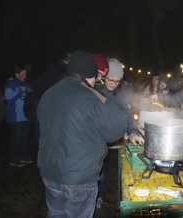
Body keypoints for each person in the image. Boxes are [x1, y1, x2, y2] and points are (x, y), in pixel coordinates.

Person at [37, 50, 132, 218]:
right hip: (79, 176)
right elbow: (114, 131)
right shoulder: (90, 96)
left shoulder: (49, 93)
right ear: (91, 74)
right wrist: (110, 101)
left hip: (50, 172)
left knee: (55, 214)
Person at [96, 58, 143, 144]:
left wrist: (133, 132)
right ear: (104, 76)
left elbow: (128, 116)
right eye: (110, 79)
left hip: (116, 143)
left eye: (117, 81)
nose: (113, 83)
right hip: (97, 143)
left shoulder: (121, 94)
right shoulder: (95, 92)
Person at [5, 64, 32, 167]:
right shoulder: (10, 83)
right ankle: (14, 159)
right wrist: (19, 90)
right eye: (22, 74)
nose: (24, 76)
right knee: (16, 139)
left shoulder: (27, 84)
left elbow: (30, 95)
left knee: (24, 138)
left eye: (25, 74)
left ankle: (23, 157)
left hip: (26, 116)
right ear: (16, 75)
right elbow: (8, 97)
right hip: (15, 117)